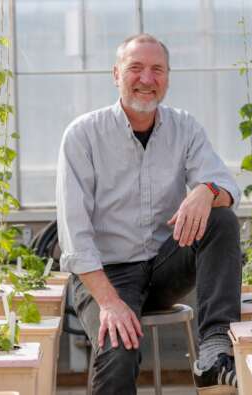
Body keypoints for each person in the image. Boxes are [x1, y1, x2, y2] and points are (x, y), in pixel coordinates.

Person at [56, 33, 242, 395]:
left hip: (162, 265)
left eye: (157, 69)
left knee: (220, 219)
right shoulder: (83, 135)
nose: (146, 79)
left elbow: (229, 188)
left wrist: (207, 191)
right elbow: (75, 237)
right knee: (118, 353)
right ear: (115, 74)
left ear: (168, 77)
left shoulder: (183, 127)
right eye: (135, 68)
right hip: (106, 276)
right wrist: (109, 303)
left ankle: (214, 350)